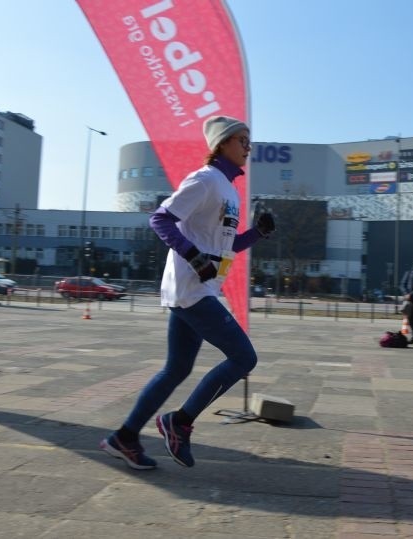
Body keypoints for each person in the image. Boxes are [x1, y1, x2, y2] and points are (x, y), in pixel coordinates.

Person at [100, 116, 275, 470]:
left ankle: (125, 437)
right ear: (222, 143)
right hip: (193, 288)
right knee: (244, 358)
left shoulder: (228, 189)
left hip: (202, 287)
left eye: (248, 140)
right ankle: (178, 422)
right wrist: (194, 259)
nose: (248, 146)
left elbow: (223, 247)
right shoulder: (205, 180)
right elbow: (160, 219)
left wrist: (256, 233)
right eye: (242, 139)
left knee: (176, 368)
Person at [400, 259, 413, 342]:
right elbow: (402, 284)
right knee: (410, 318)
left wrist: (411, 295)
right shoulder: (408, 273)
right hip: (409, 300)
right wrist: (405, 294)